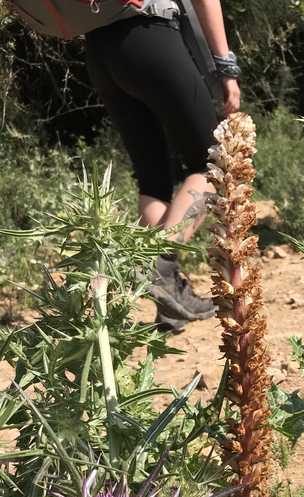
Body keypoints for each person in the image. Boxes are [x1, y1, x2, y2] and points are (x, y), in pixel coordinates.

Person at [11, 0, 241, 329]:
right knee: (215, 163)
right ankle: (160, 265)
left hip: (101, 52)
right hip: (150, 36)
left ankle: (167, 302)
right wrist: (226, 68)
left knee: (154, 180)